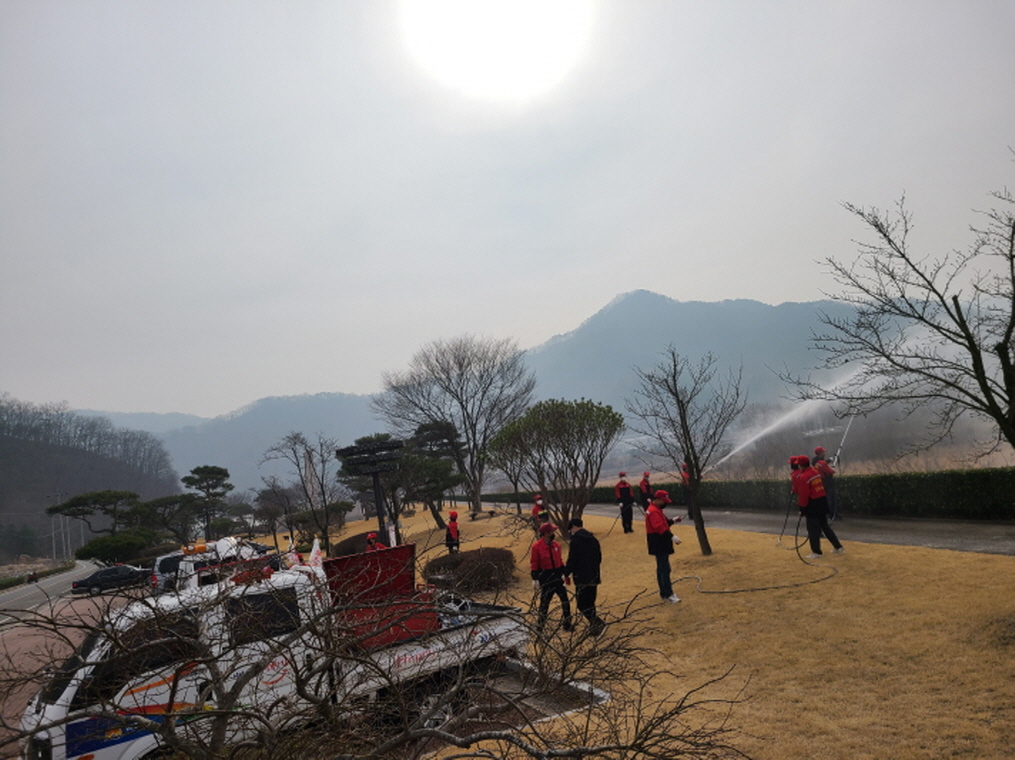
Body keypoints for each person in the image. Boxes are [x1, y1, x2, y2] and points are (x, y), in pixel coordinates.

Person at [797, 456, 844, 558]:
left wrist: (802, 509)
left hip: (813, 504)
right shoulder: (815, 472)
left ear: (801, 465)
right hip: (822, 501)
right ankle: (838, 547)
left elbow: (804, 495)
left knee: (813, 529)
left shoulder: (804, 476)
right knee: (825, 526)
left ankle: (816, 552)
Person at [530, 523, 573, 633]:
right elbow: (534, 562)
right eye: (552, 531)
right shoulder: (537, 547)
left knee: (565, 600)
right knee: (544, 603)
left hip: (557, 576)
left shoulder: (556, 545)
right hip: (546, 577)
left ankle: (567, 624)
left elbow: (560, 560)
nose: (554, 533)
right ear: (546, 533)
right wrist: (535, 578)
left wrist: (565, 573)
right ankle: (540, 625)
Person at [565, 518, 606, 635]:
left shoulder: (576, 541)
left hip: (581, 577)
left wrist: (566, 572)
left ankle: (598, 623)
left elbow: (572, 559)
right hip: (594, 575)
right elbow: (599, 557)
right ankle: (594, 627)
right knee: (590, 603)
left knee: (582, 604)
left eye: (571, 529)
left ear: (574, 527)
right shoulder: (593, 539)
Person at [645, 489, 682, 603]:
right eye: (664, 501)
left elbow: (663, 523)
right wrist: (672, 536)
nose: (665, 503)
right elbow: (659, 527)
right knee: (664, 569)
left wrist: (673, 521)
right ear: (658, 500)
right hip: (659, 542)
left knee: (662, 568)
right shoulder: (653, 511)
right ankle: (668, 594)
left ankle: (664, 593)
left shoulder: (656, 509)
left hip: (659, 542)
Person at [814, 446, 838, 520]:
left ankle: (825, 513)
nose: (824, 453)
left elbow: (822, 464)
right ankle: (831, 514)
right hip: (828, 482)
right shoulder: (822, 463)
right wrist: (832, 469)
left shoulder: (815, 462)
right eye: (823, 452)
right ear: (820, 453)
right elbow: (830, 471)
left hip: (821, 482)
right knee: (830, 498)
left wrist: (829, 460)